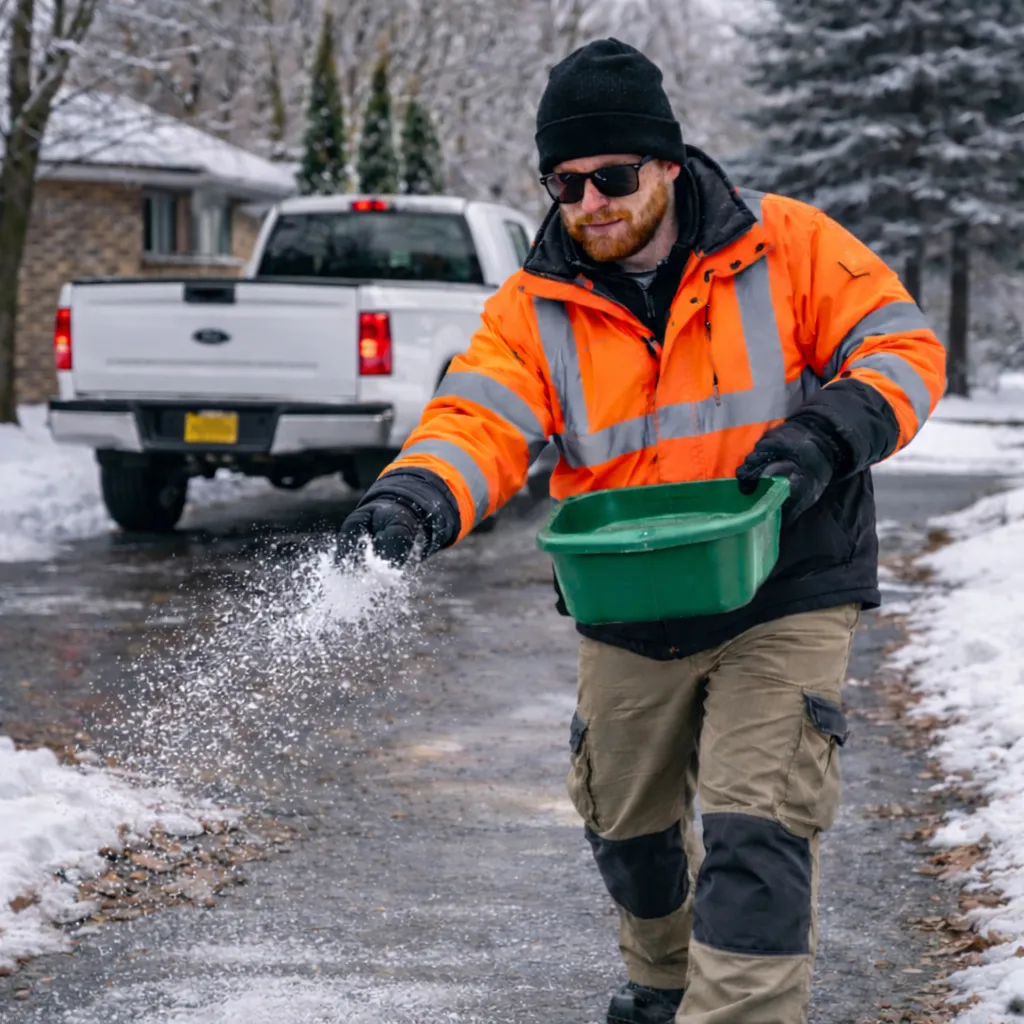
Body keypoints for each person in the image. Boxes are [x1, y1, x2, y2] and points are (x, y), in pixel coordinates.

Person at [338, 38, 947, 1024]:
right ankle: (663, 990)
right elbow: (478, 418)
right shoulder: (535, 303)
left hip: (781, 581)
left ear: (667, 162)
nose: (589, 205)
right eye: (564, 185)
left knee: (758, 827)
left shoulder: (786, 244)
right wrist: (414, 501)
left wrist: (824, 436)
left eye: (611, 176)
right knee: (628, 831)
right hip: (628, 598)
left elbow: (902, 350)